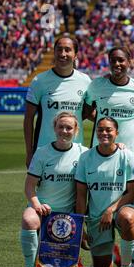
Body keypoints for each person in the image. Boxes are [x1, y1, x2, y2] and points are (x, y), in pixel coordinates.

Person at [83, 46, 134, 267]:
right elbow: (84, 111)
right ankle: (102, 256)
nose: (118, 64)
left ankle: (132, 260)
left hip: (130, 157)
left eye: (122, 60)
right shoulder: (96, 86)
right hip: (99, 157)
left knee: (131, 209)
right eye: (113, 60)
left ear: (129, 61)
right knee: (97, 208)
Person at [19, 112, 88, 267]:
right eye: (61, 127)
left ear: (76, 130)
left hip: (69, 213)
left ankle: (76, 258)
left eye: (69, 127)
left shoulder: (84, 153)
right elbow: (29, 186)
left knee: (91, 244)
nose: (64, 131)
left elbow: (106, 152)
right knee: (29, 220)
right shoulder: (42, 153)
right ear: (54, 128)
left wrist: (121, 146)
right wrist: (37, 205)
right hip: (44, 209)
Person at [75, 117, 134, 267]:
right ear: (96, 132)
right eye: (100, 130)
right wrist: (80, 224)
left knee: (126, 218)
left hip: (121, 208)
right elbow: (81, 195)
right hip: (97, 216)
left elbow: (131, 194)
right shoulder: (85, 158)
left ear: (117, 133)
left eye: (109, 130)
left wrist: (111, 210)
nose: (104, 133)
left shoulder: (127, 156)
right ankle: (114, 253)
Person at [24, 36, 92, 168]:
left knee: (77, 189)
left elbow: (89, 113)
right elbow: (28, 118)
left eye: (67, 50)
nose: (63, 54)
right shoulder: (40, 81)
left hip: (75, 153)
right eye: (59, 50)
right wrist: (29, 152)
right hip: (44, 151)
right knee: (43, 189)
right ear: (54, 53)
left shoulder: (85, 81)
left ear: (75, 55)